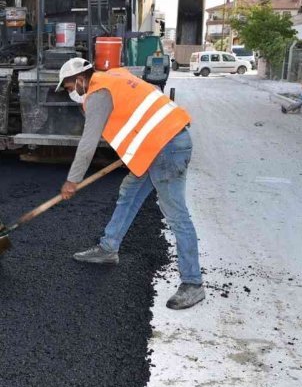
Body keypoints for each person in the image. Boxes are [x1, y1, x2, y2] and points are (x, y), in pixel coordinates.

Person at [56, 58, 204, 310]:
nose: (71, 93)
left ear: (81, 79)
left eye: (70, 87)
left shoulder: (98, 94)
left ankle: (193, 283)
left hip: (167, 149)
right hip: (153, 147)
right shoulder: (113, 75)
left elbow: (87, 144)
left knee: (176, 215)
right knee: (129, 193)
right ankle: (108, 248)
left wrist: (72, 181)